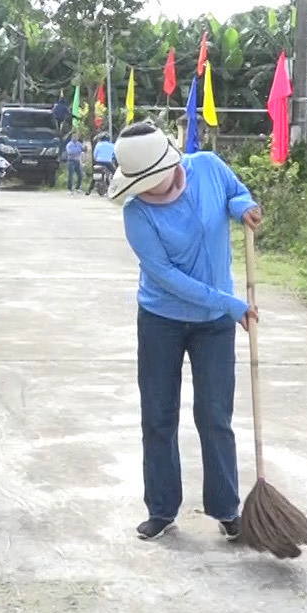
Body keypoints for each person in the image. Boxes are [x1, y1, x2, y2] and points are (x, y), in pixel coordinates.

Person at [107, 123, 262, 542]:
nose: (143, 193)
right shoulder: (136, 212)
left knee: (215, 415)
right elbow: (166, 276)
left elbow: (237, 192)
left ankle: (227, 508)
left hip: (213, 326)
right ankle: (161, 508)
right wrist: (231, 305)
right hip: (161, 320)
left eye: (147, 184)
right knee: (157, 415)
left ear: (168, 168)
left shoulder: (209, 167)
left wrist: (243, 207)